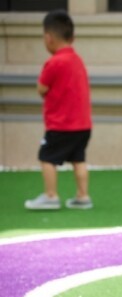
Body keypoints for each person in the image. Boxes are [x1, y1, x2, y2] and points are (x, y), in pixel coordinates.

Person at [25, 9, 93, 210]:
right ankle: (83, 196)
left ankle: (51, 195)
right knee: (78, 159)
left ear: (49, 38)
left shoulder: (54, 63)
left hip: (60, 125)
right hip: (82, 125)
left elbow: (41, 88)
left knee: (46, 157)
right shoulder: (77, 60)